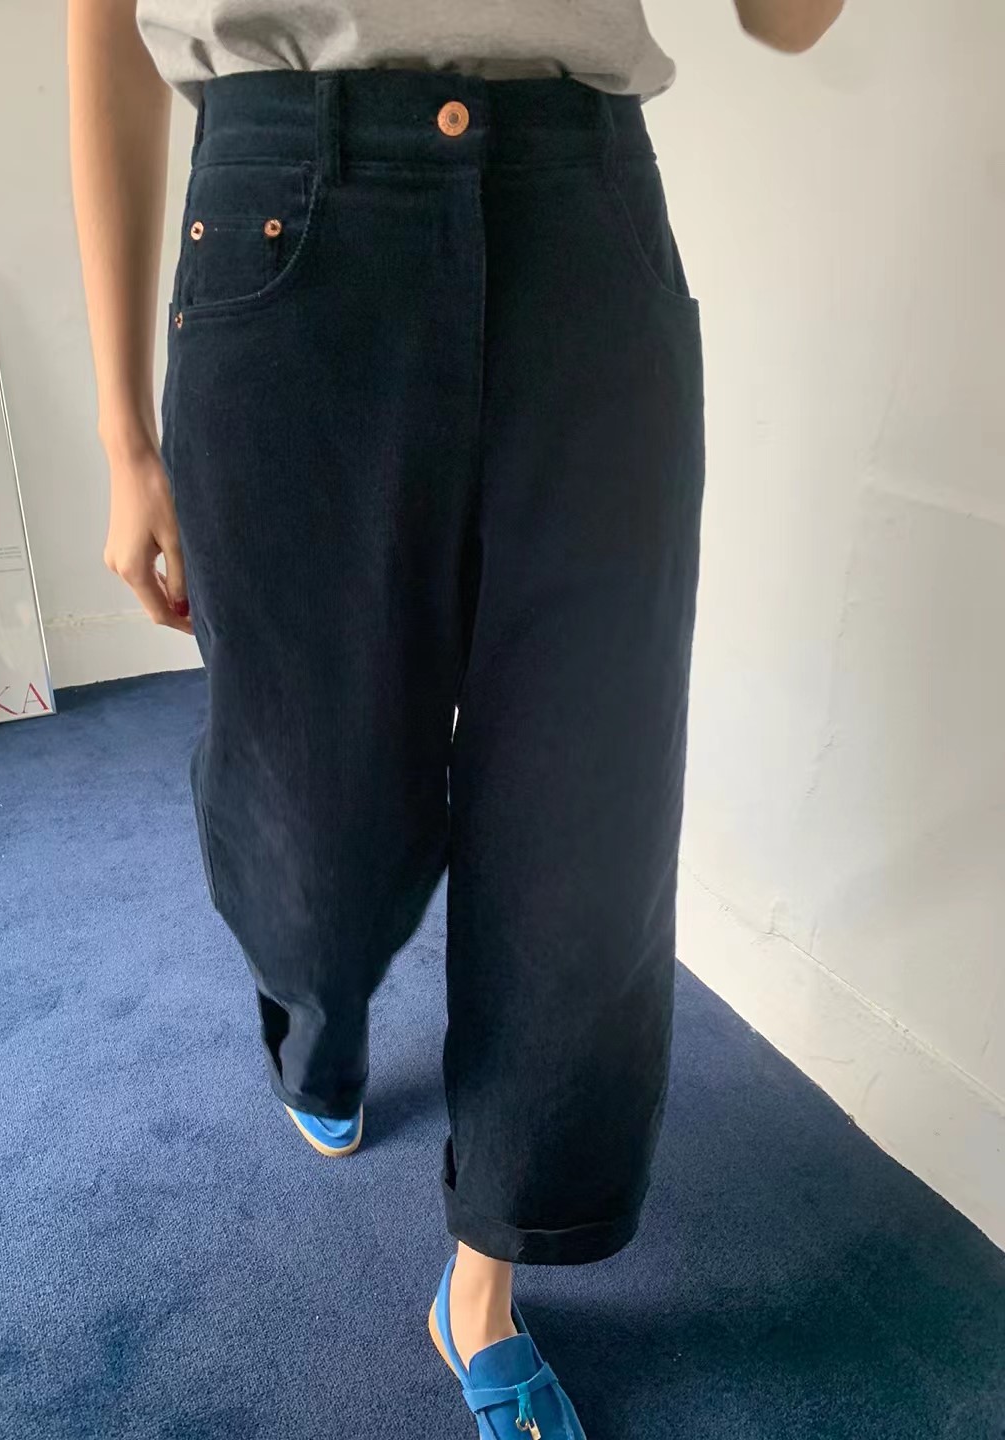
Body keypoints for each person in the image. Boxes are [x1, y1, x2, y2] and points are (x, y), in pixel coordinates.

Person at [68, 1, 843, 1433]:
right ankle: (321, 1021)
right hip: (287, 218)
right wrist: (122, 433)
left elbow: (786, 23)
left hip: (584, 221)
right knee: (309, 826)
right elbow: (102, 25)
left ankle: (483, 1282)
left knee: (585, 820)